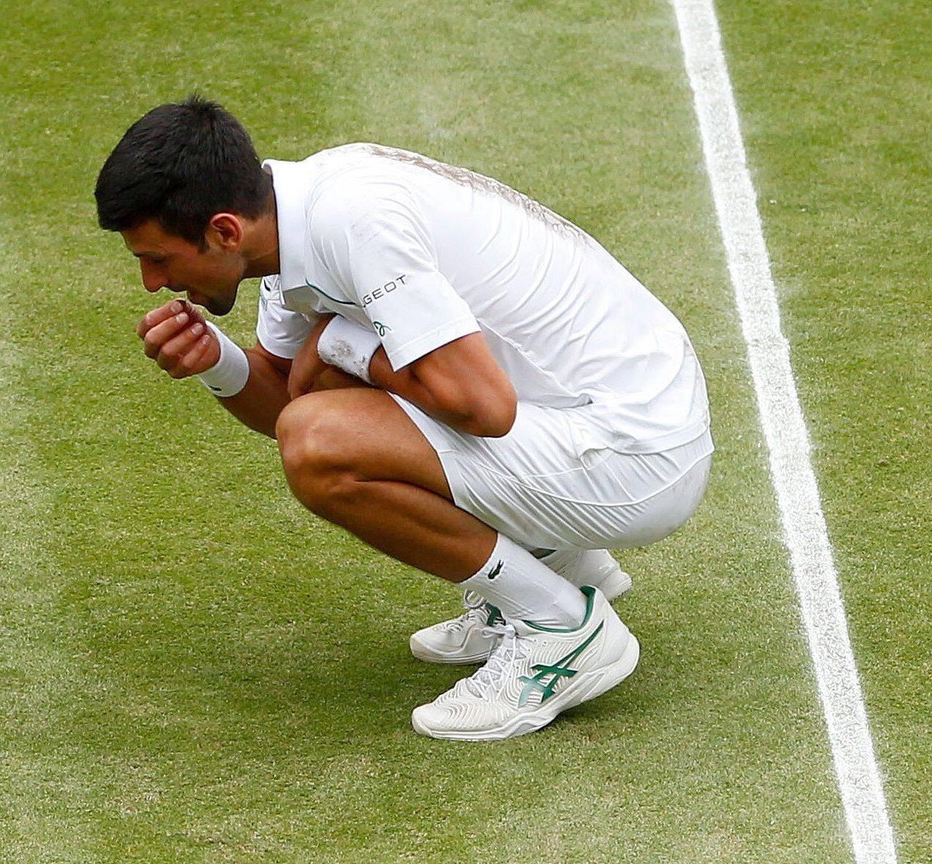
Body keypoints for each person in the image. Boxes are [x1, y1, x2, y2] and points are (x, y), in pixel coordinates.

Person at [93, 96, 712, 741]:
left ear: (224, 232)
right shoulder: (288, 224)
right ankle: (556, 562)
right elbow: (293, 400)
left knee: (322, 440)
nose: (148, 281)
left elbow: (481, 408)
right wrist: (218, 361)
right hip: (582, 423)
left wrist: (344, 345)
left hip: (638, 454)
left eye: (158, 258)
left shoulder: (357, 224)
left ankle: (560, 625)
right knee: (321, 419)